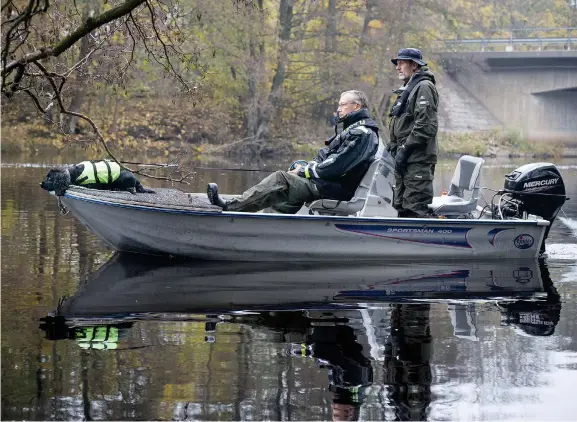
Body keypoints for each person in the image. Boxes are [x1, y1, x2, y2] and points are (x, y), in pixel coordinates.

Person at [207, 90, 380, 213]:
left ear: (356, 107)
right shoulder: (352, 130)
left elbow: (338, 165)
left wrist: (306, 171)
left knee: (281, 179)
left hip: (337, 188)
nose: (339, 108)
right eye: (339, 104)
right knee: (293, 172)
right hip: (329, 183)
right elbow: (326, 157)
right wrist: (305, 166)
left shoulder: (363, 133)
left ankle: (230, 207)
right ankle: (273, 221)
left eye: (343, 104)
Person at [387, 48, 439, 218]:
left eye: (401, 63)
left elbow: (426, 125)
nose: (397, 67)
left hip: (417, 159)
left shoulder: (424, 86)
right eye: (397, 63)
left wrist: (405, 150)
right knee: (401, 206)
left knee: (415, 208)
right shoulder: (409, 88)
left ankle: (424, 241)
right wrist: (393, 147)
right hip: (405, 159)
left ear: (414, 65)